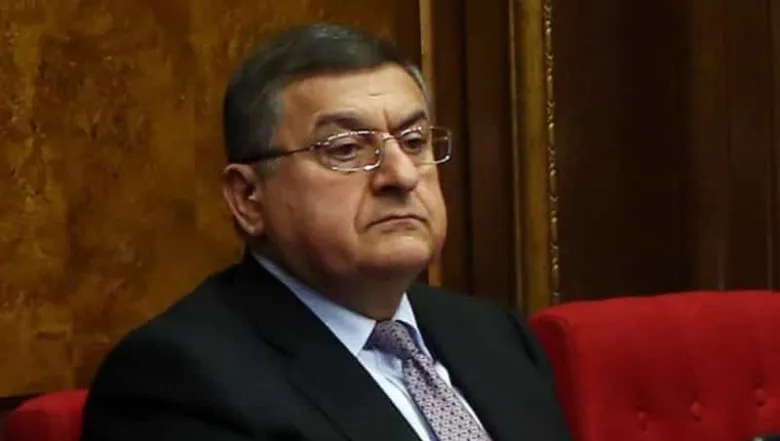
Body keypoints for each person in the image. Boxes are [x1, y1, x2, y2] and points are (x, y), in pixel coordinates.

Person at [80, 23, 572, 441]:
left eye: (413, 141)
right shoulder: (177, 383)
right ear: (248, 198)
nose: (401, 175)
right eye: (345, 149)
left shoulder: (495, 336)